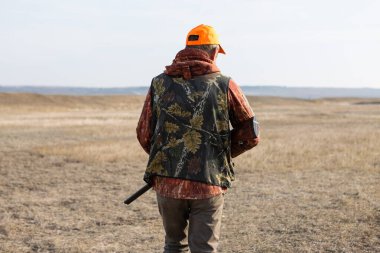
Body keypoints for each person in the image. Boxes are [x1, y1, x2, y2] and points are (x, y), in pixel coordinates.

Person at [136, 24, 260, 253]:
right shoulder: (225, 84)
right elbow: (250, 133)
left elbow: (144, 133)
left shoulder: (158, 83)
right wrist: (218, 155)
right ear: (213, 52)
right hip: (208, 183)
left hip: (167, 182)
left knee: (173, 246)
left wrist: (170, 156)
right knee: (204, 249)